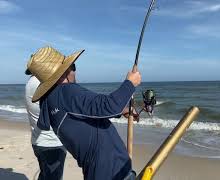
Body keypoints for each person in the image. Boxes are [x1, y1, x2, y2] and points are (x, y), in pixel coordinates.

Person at [26, 46, 141, 180]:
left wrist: (121, 111)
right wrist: (130, 83)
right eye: (72, 67)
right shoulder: (67, 92)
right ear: (64, 72)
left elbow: (85, 112)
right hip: (112, 172)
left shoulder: (50, 101)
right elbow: (107, 105)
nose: (74, 71)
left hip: (98, 171)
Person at [25, 68, 66, 180]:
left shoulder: (30, 82)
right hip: (51, 143)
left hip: (39, 140)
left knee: (45, 175)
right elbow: (64, 106)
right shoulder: (43, 84)